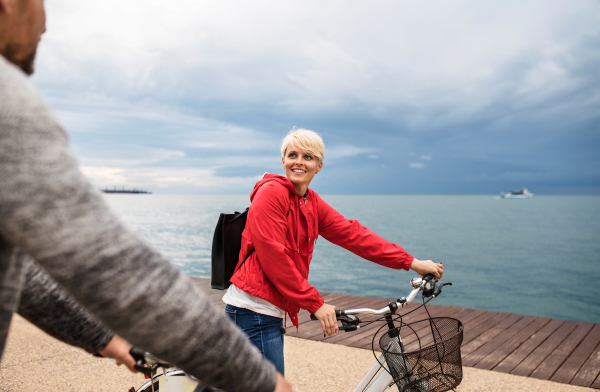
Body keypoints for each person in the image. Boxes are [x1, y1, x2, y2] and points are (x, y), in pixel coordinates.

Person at [0, 1, 293, 391]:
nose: (45, 24)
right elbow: (117, 271)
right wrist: (264, 381)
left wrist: (106, 338)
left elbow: (25, 278)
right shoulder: (8, 101)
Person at [224, 129, 444, 374]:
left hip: (267, 312)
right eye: (292, 155)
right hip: (252, 312)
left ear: (318, 165)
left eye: (307, 157)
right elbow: (273, 257)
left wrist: (411, 262)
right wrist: (315, 303)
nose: (298, 162)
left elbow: (353, 235)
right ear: (283, 160)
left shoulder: (309, 201)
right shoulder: (271, 194)